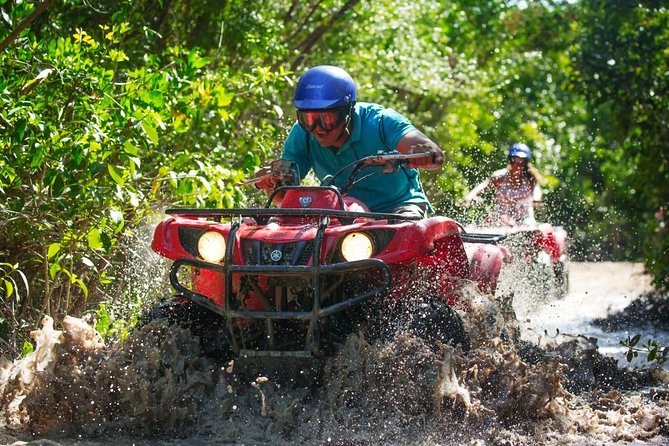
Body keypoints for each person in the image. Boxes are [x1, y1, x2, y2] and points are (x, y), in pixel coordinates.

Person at [254, 65, 444, 218]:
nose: (318, 128)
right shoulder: (302, 134)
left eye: (326, 119)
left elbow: (430, 152)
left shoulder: (381, 121)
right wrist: (273, 183)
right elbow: (283, 199)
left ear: (347, 112)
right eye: (309, 120)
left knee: (406, 232)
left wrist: (425, 152)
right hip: (340, 211)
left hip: (398, 208)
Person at [463, 143, 543, 226]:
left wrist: (536, 200)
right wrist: (469, 197)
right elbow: (483, 186)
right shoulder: (500, 177)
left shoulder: (530, 179)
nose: (517, 164)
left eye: (520, 161)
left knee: (528, 228)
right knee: (491, 220)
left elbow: (537, 191)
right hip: (501, 219)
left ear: (525, 162)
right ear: (510, 160)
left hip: (524, 221)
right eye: (514, 160)